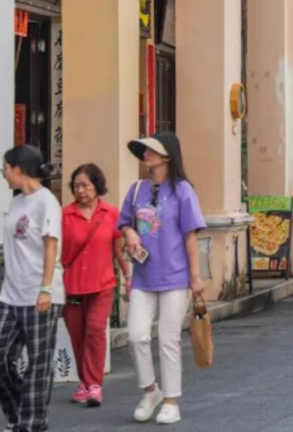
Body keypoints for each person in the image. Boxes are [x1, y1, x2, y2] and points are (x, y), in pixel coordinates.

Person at [120, 132, 206, 426]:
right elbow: (124, 223)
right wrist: (130, 233)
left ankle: (171, 401)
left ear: (168, 155)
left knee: (169, 340)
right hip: (143, 277)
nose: (146, 154)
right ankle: (150, 391)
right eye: (144, 150)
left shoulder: (182, 190)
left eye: (152, 149)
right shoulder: (136, 190)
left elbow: (190, 236)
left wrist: (195, 276)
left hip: (175, 277)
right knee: (136, 336)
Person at [0, 145, 64, 432]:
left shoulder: (47, 202)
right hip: (11, 295)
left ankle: (32, 425)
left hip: (40, 294)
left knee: (38, 363)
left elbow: (51, 246)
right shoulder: (17, 201)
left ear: (18, 169)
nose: (3, 174)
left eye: (5, 168)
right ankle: (18, 413)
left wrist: (46, 289)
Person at [61, 163, 129, 408]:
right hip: (72, 286)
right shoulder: (64, 215)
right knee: (77, 335)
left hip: (102, 284)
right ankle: (85, 382)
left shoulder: (110, 213)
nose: (80, 190)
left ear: (97, 186)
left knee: (95, 329)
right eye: (76, 186)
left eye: (85, 185)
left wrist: (129, 277)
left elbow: (119, 250)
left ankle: (93, 385)